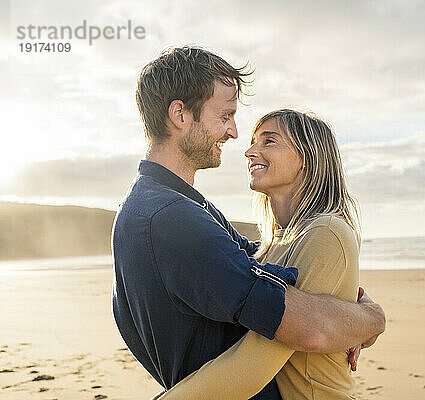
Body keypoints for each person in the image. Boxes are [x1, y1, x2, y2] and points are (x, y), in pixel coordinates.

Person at [111, 46, 385, 400]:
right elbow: (306, 327)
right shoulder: (172, 220)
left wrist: (340, 294)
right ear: (180, 114)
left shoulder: (169, 209)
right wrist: (370, 319)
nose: (234, 134)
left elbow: (260, 259)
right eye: (225, 116)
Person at [158, 109, 374, 399]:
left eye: (268, 142)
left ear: (308, 158)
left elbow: (256, 362)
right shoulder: (271, 246)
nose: (249, 151)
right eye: (253, 142)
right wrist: (366, 321)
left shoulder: (327, 232)